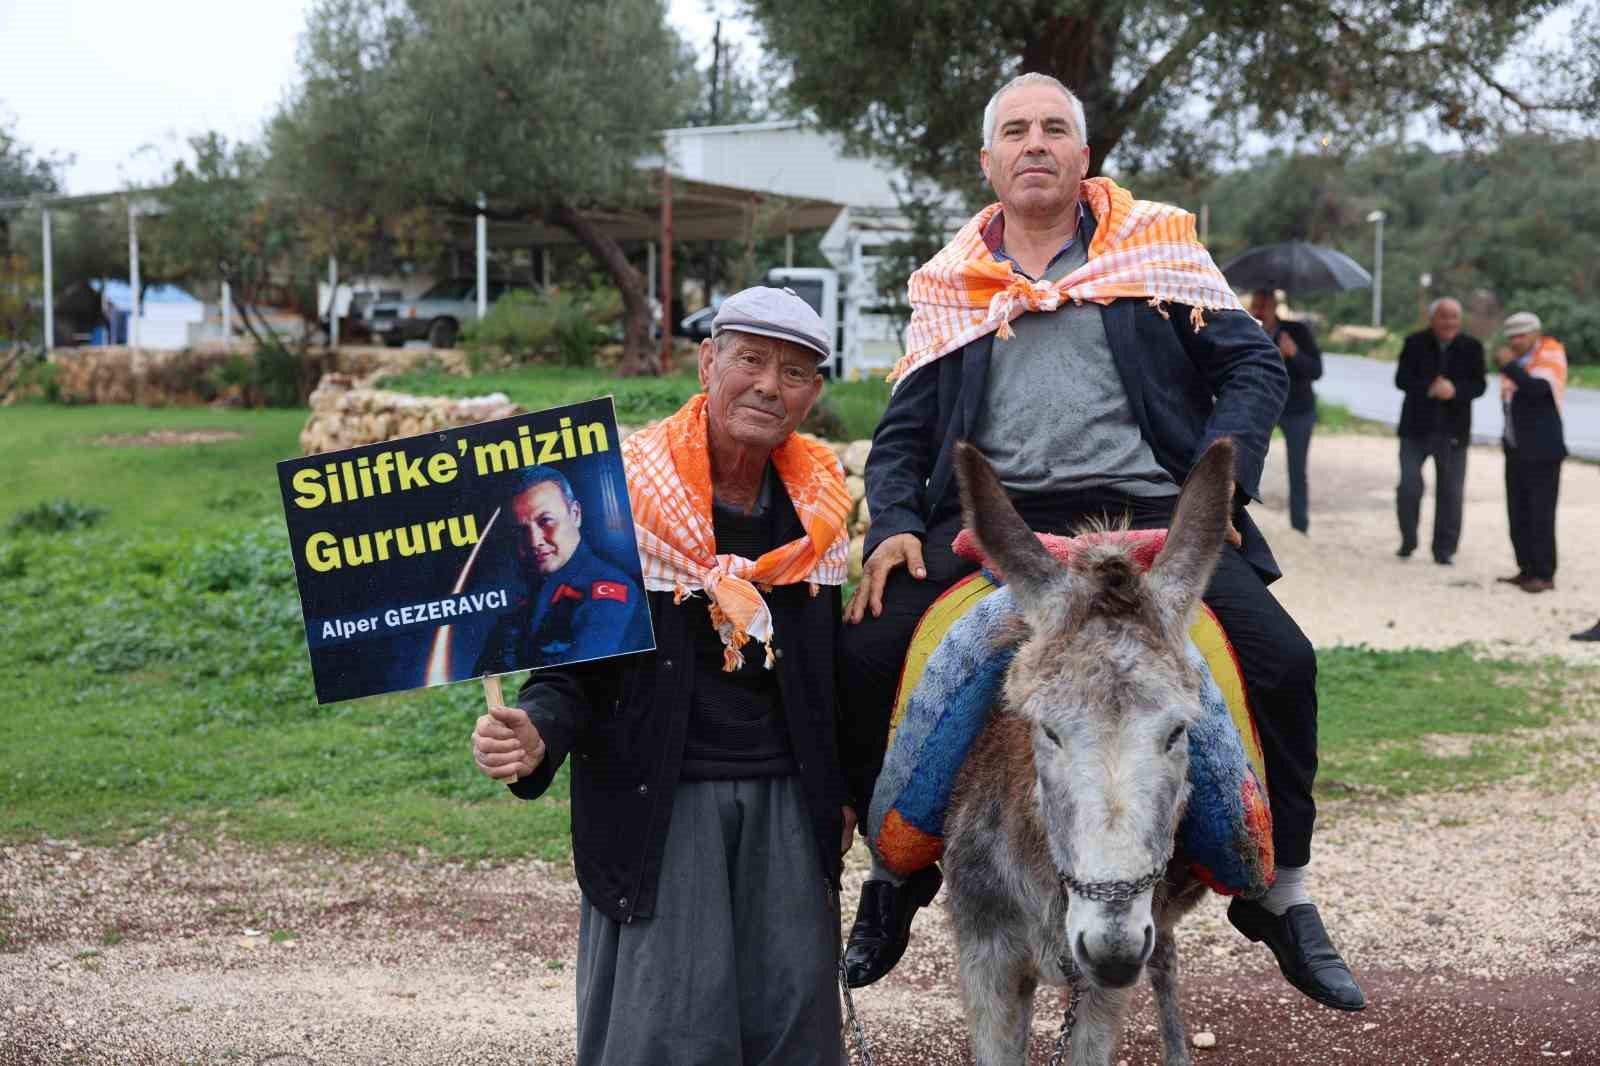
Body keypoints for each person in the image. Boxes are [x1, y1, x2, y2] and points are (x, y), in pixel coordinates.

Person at [838, 72, 1365, 1013]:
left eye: (1053, 129)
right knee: (868, 652)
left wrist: (1225, 484)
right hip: (994, 522)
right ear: (988, 162)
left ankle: (1283, 894)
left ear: (1084, 156)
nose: (1034, 144)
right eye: (1015, 131)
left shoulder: (1154, 254)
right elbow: (905, 432)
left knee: (1283, 660)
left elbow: (1252, 367)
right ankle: (895, 880)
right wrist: (897, 524)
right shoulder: (953, 282)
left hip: (1150, 513)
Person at [470, 286, 862, 1065]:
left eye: (793, 372)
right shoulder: (625, 497)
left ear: (812, 396)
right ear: (708, 361)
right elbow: (575, 665)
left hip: (788, 799)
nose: (767, 385)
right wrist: (537, 732)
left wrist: (848, 788)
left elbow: (833, 675)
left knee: (791, 1027)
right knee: (665, 1031)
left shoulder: (818, 507)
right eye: (750, 360)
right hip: (664, 802)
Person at [473, 465, 650, 672]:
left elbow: (580, 679)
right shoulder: (523, 601)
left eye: (545, 521)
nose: (534, 541)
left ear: (575, 514)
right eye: (521, 530)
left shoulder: (608, 592)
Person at [1393, 298, 1487, 565]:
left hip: (1454, 431)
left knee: (1451, 492)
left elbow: (1479, 385)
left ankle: (1444, 550)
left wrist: (1454, 390)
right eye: (1443, 317)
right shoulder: (1414, 343)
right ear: (1432, 319)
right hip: (1415, 429)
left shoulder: (1472, 347)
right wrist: (1428, 388)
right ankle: (1408, 540)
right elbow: (1401, 379)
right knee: (1409, 486)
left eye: (1454, 317)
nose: (1449, 322)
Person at [1494, 311, 1567, 594]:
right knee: (1518, 513)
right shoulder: (1518, 362)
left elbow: (1537, 390)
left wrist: (1510, 366)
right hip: (1516, 449)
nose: (1515, 341)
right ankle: (1526, 568)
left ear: (1536, 333)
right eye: (1511, 336)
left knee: (1541, 514)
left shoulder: (1550, 353)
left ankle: (1544, 573)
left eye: (1521, 335)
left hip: (1542, 452)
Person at [1249, 289, 1323, 534]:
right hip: (1261, 406)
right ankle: (1239, 522)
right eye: (1255, 305)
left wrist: (1294, 354)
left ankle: (1299, 526)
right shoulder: (1247, 330)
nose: (1258, 310)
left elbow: (1316, 370)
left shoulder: (1297, 331)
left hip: (1298, 408)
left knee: (1297, 470)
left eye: (1263, 306)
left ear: (1274, 307)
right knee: (1245, 462)